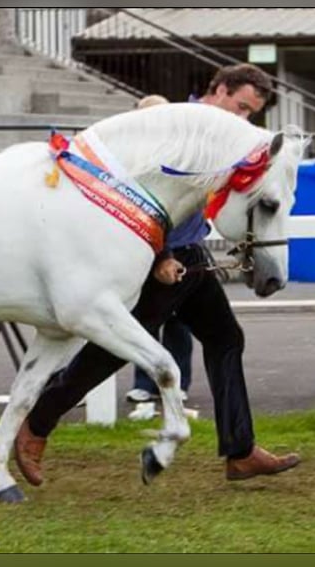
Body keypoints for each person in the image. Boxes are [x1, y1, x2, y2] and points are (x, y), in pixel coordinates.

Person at [15, 64, 302, 485]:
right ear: (218, 90)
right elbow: (132, 188)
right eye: (240, 107)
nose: (243, 120)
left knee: (226, 338)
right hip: (156, 258)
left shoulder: (224, 139)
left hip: (191, 254)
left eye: (250, 114)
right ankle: (36, 426)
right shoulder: (173, 126)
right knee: (109, 353)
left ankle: (240, 452)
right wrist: (160, 255)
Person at [128, 94, 193, 405]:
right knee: (145, 319)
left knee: (180, 321)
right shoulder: (135, 157)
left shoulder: (182, 155)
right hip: (146, 246)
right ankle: (145, 381)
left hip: (180, 243)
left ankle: (179, 381)